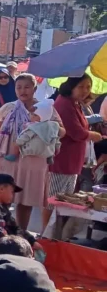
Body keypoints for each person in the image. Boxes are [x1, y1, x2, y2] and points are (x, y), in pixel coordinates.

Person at [0, 76, 65, 230]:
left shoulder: (45, 109)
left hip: (34, 161)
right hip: (8, 159)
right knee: (4, 197)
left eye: (27, 87)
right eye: (19, 87)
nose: (23, 91)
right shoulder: (8, 108)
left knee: (26, 199)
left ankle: (21, 232)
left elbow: (62, 131)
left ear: (35, 89)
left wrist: (47, 126)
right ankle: (1, 230)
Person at [45, 75, 101, 231]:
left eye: (88, 87)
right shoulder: (64, 103)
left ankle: (55, 235)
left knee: (63, 201)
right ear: (71, 86)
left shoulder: (74, 103)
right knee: (53, 201)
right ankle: (47, 235)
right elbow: (76, 132)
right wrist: (93, 135)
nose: (85, 90)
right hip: (61, 161)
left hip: (71, 161)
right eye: (81, 86)